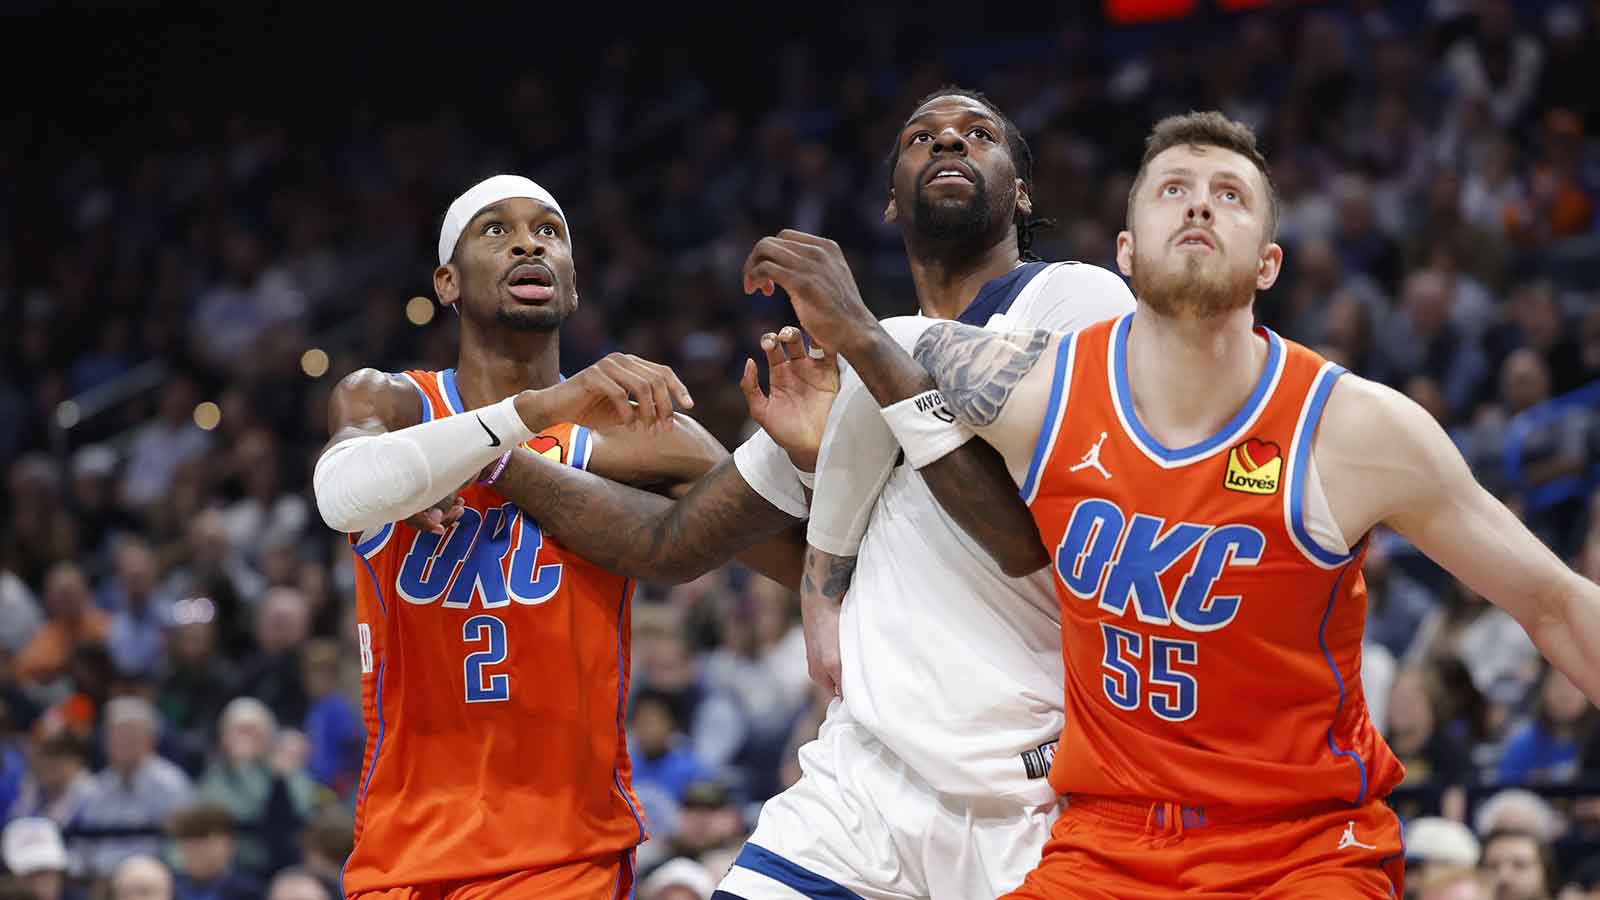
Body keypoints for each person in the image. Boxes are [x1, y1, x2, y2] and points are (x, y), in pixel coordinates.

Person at [764, 109, 1600, 897]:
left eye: (1230, 195)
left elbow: (1554, 602)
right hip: (1110, 842)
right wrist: (823, 577)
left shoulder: (1353, 430)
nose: (1200, 201)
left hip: (1300, 846)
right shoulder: (1039, 390)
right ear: (1126, 252)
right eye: (1174, 188)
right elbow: (888, 353)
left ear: (1268, 263)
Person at [471, 88, 1133, 899]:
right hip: (862, 790)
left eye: (978, 135)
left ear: (1022, 192)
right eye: (923, 137)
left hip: (1031, 789)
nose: (949, 142)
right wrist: (481, 454)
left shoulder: (1079, 302)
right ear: (892, 200)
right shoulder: (849, 377)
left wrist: (861, 335)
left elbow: (1022, 539)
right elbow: (669, 542)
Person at [312, 175, 801, 899]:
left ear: (572, 286)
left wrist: (806, 459)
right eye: (495, 230)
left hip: (563, 849)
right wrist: (530, 413)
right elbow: (340, 490)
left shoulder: (638, 430)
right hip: (403, 848)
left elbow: (802, 560)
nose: (525, 242)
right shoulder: (392, 401)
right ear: (446, 282)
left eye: (549, 231)